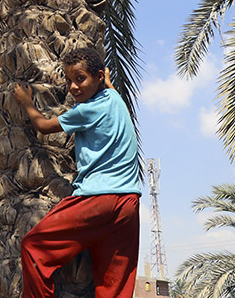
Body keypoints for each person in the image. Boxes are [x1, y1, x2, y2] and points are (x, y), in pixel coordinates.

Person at [12, 46, 141, 298]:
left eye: (80, 78)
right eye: (69, 80)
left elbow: (43, 126)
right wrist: (106, 81)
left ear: (99, 76)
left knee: (33, 247)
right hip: (129, 203)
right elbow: (110, 88)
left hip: (98, 200)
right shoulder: (115, 99)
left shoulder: (86, 110)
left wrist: (27, 102)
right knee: (114, 287)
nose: (73, 87)